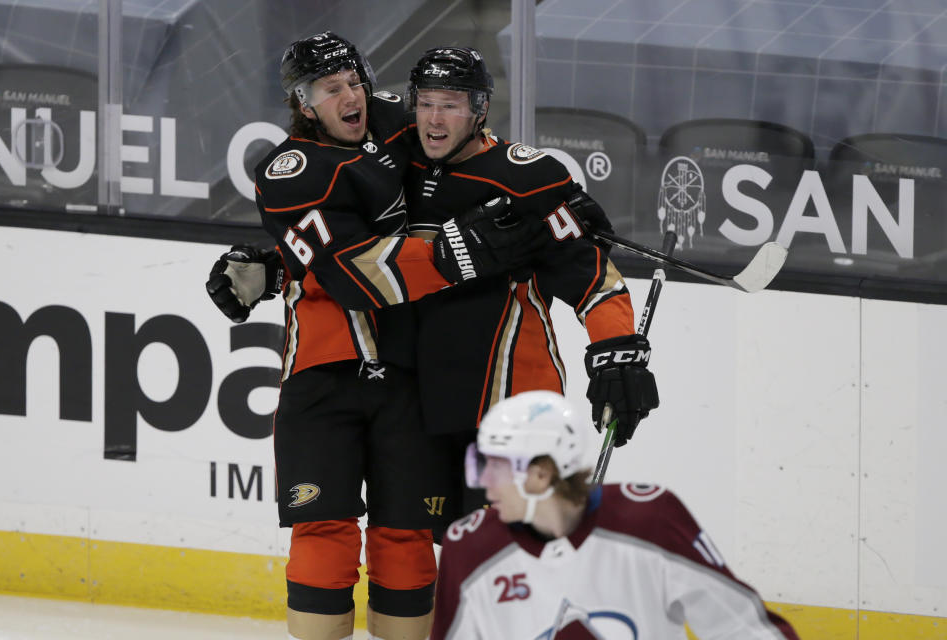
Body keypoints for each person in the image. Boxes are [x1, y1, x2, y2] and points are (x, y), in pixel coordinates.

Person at [206, 32, 542, 640]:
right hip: (322, 377)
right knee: (325, 532)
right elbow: (358, 277)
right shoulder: (288, 172)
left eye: (355, 81)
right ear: (304, 104)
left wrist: (556, 203)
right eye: (332, 89)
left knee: (405, 537)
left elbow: (472, 148)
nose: (351, 95)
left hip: (409, 372)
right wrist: (459, 252)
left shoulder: (395, 121)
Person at [401, 47, 658, 527]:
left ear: (479, 110)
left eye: (451, 104)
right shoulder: (397, 166)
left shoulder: (525, 177)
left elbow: (594, 281)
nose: (435, 119)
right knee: (435, 563)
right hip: (425, 404)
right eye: (426, 102)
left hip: (516, 410)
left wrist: (616, 350)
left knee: (518, 554)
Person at [431, 390, 801, 640]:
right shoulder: (470, 548)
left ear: (542, 474)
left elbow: (743, 628)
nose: (485, 485)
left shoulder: (650, 522)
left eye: (496, 467)